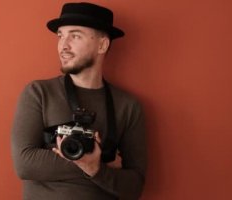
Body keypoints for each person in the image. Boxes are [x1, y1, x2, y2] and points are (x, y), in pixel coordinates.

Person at [11, 2, 147, 200]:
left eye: (75, 35)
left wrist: (92, 167)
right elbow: (24, 164)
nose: (63, 46)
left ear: (102, 45)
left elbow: (134, 187)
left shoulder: (128, 106)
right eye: (60, 35)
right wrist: (100, 162)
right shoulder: (38, 93)